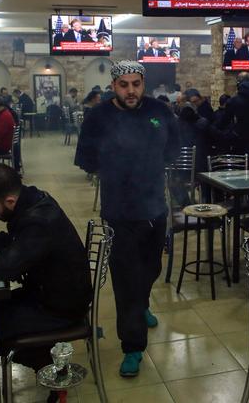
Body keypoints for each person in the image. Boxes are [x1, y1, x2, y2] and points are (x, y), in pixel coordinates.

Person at [75, 60, 180, 377]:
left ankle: (142, 301)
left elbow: (173, 149)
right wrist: (115, 171)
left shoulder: (159, 112)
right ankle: (132, 346)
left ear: (143, 84)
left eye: (136, 84)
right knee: (125, 278)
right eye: (124, 85)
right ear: (113, 86)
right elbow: (85, 158)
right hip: (119, 211)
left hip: (154, 207)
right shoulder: (99, 116)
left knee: (152, 266)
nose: (131, 90)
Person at [0, 164, 92, 384]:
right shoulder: (31, 201)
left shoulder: (38, 221)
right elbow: (17, 242)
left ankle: (48, 364)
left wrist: (2, 253)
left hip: (61, 307)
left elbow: (4, 268)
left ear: (10, 201)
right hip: (47, 293)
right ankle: (45, 359)